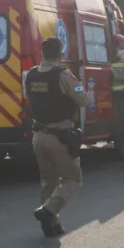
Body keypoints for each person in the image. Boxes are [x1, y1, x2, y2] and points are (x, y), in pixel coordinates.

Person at [25, 37, 89, 237]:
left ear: (42, 53)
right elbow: (84, 100)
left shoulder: (31, 75)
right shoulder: (63, 75)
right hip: (59, 136)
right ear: (61, 54)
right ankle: (48, 210)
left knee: (48, 181)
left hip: (38, 136)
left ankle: (51, 225)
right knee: (72, 179)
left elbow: (29, 99)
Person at [110, 34, 124, 161]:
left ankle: (123, 151)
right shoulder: (109, 60)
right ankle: (117, 149)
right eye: (119, 46)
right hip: (113, 97)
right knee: (116, 125)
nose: (121, 49)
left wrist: (115, 77)